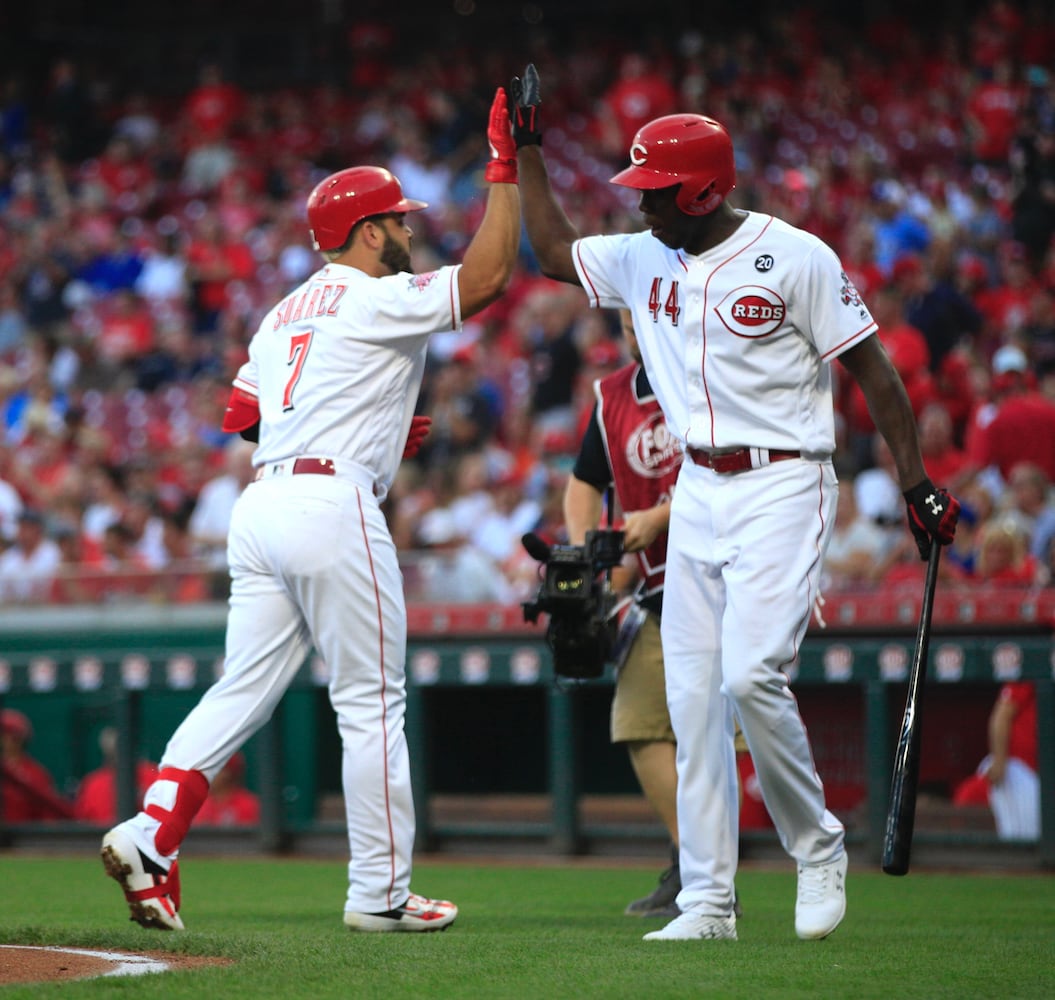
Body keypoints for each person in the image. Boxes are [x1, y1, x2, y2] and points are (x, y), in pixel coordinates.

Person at [509, 66, 960, 942]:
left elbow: (872, 368)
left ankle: (816, 844)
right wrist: (525, 150)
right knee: (691, 701)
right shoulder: (645, 253)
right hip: (699, 488)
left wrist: (914, 484)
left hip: (784, 479)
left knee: (751, 672)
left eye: (657, 190)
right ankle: (708, 901)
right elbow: (553, 250)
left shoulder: (795, 255)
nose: (641, 206)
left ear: (707, 188)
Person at [100, 89, 522, 933]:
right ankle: (380, 894)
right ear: (367, 233)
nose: (407, 232)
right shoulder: (368, 296)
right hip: (331, 504)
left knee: (241, 688)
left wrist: (370, 418)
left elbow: (246, 419)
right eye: (397, 222)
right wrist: (504, 169)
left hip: (263, 503)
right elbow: (485, 280)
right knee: (370, 702)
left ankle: (152, 831)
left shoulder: (281, 311)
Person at [565, 308, 749, 919]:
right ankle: (692, 860)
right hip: (654, 587)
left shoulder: (709, 375)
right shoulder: (613, 394)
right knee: (641, 724)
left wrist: (661, 519)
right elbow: (584, 481)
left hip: (727, 574)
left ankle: (720, 869)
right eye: (623, 322)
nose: (631, 332)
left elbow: (732, 467)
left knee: (732, 730)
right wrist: (588, 554)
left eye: (639, 319)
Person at [952, 682, 1039, 841]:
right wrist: (1000, 760)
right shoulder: (1032, 670)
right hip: (1016, 767)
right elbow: (1001, 715)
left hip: (1040, 771)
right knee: (1024, 835)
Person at [1, 708, 75, 822]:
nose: (4, 740)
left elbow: (48, 816)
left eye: (6, 734)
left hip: (21, 837)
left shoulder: (34, 773)